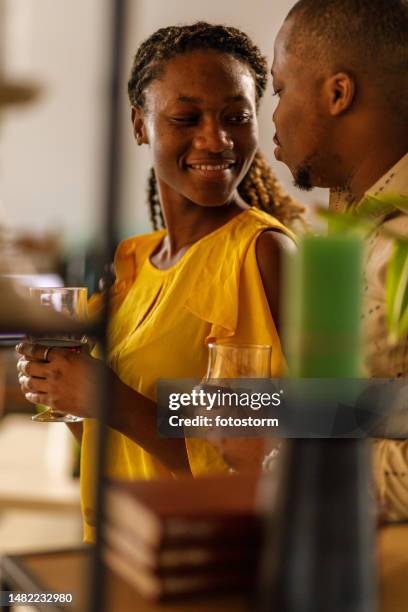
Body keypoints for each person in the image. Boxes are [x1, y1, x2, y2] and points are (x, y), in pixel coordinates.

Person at [16, 23, 302, 541]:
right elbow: (118, 445)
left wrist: (111, 401)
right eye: (186, 118)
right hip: (115, 551)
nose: (216, 139)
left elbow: (273, 455)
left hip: (200, 562)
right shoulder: (133, 261)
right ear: (140, 125)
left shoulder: (264, 255)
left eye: (236, 117)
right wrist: (64, 393)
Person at [272, 0, 408, 520]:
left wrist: (287, 457)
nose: (275, 117)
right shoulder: (340, 231)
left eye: (281, 90)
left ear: (337, 93)